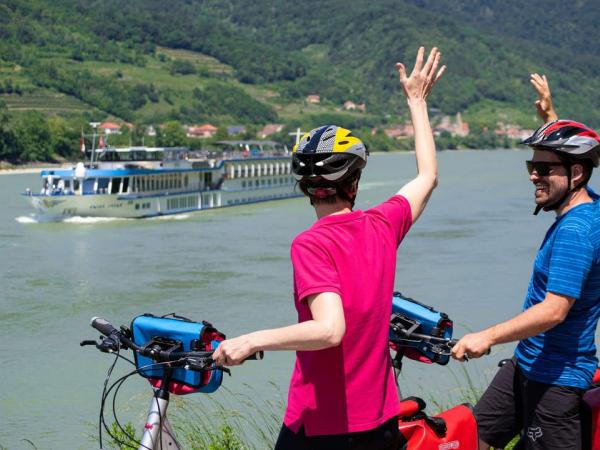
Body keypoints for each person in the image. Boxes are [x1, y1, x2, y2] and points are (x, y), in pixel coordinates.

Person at [212, 46, 445, 450]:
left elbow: (328, 330)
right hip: (382, 421)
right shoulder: (383, 225)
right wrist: (417, 102)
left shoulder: (311, 243)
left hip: (323, 426)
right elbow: (427, 176)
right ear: (354, 184)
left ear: (304, 187)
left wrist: (252, 340)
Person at [451, 75, 600, 449]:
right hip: (526, 364)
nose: (534, 174)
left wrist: (487, 336)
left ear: (575, 173)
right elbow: (573, 159)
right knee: (473, 439)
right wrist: (551, 115)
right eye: (531, 165)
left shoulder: (575, 233)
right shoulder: (589, 205)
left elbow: (553, 311)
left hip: (557, 381)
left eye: (544, 169)